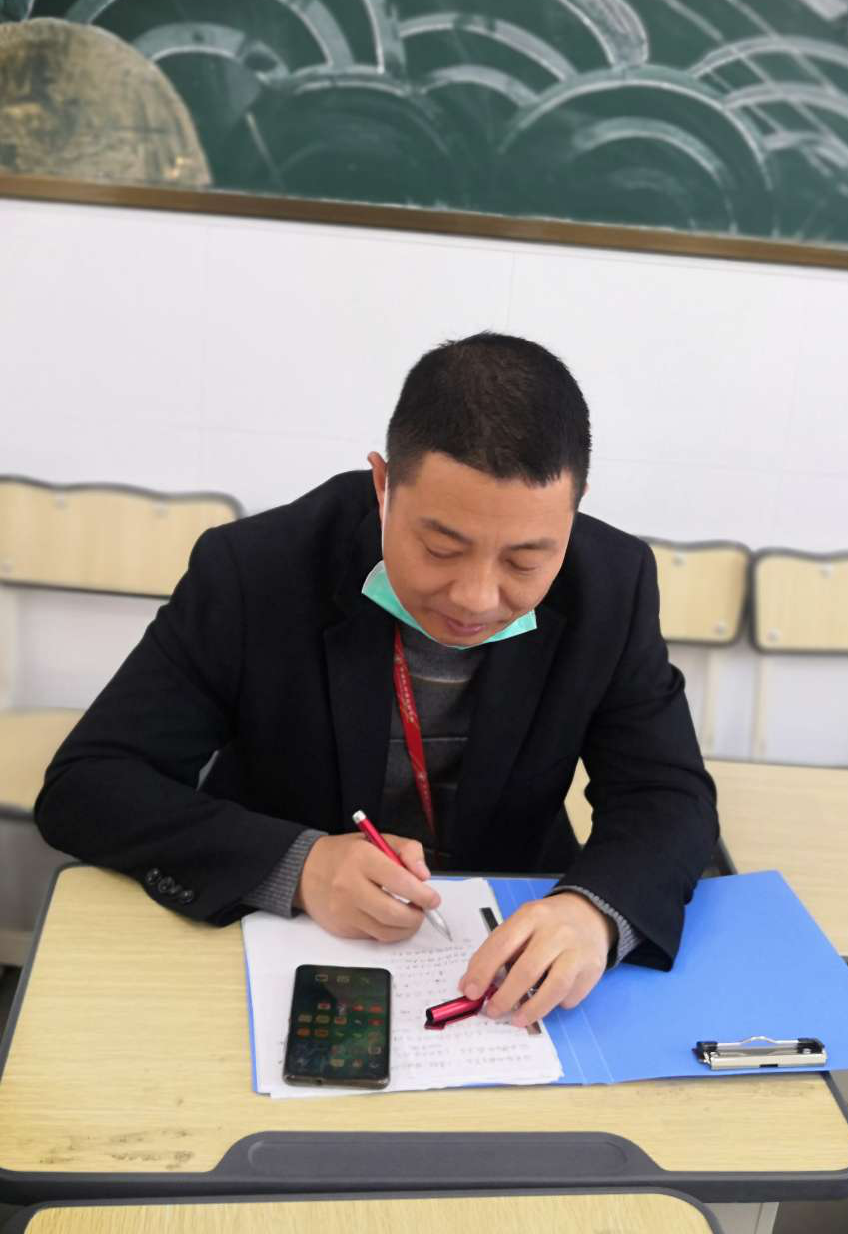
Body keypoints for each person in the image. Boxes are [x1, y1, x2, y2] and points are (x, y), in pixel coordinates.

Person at [35, 332, 717, 1028]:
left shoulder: (613, 584)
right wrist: (298, 866)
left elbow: (666, 794)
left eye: (524, 561)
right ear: (384, 485)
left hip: (501, 949)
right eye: (441, 548)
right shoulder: (256, 570)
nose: (476, 598)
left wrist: (592, 913)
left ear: (574, 509)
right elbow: (88, 783)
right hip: (283, 942)